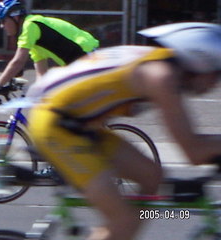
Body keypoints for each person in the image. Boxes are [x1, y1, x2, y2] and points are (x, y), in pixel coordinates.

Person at [26, 22, 221, 240]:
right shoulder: (160, 76)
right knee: (123, 220)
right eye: (216, 73)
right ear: (200, 60)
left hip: (79, 124)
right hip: (55, 124)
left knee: (152, 177)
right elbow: (193, 150)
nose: (216, 83)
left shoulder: (159, 63)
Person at [0, 0, 99, 97]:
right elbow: (42, 75)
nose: (2, 26)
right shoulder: (34, 42)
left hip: (85, 55)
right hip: (77, 62)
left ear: (15, 17)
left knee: (65, 102)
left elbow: (18, 61)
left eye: (3, 21)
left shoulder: (31, 25)